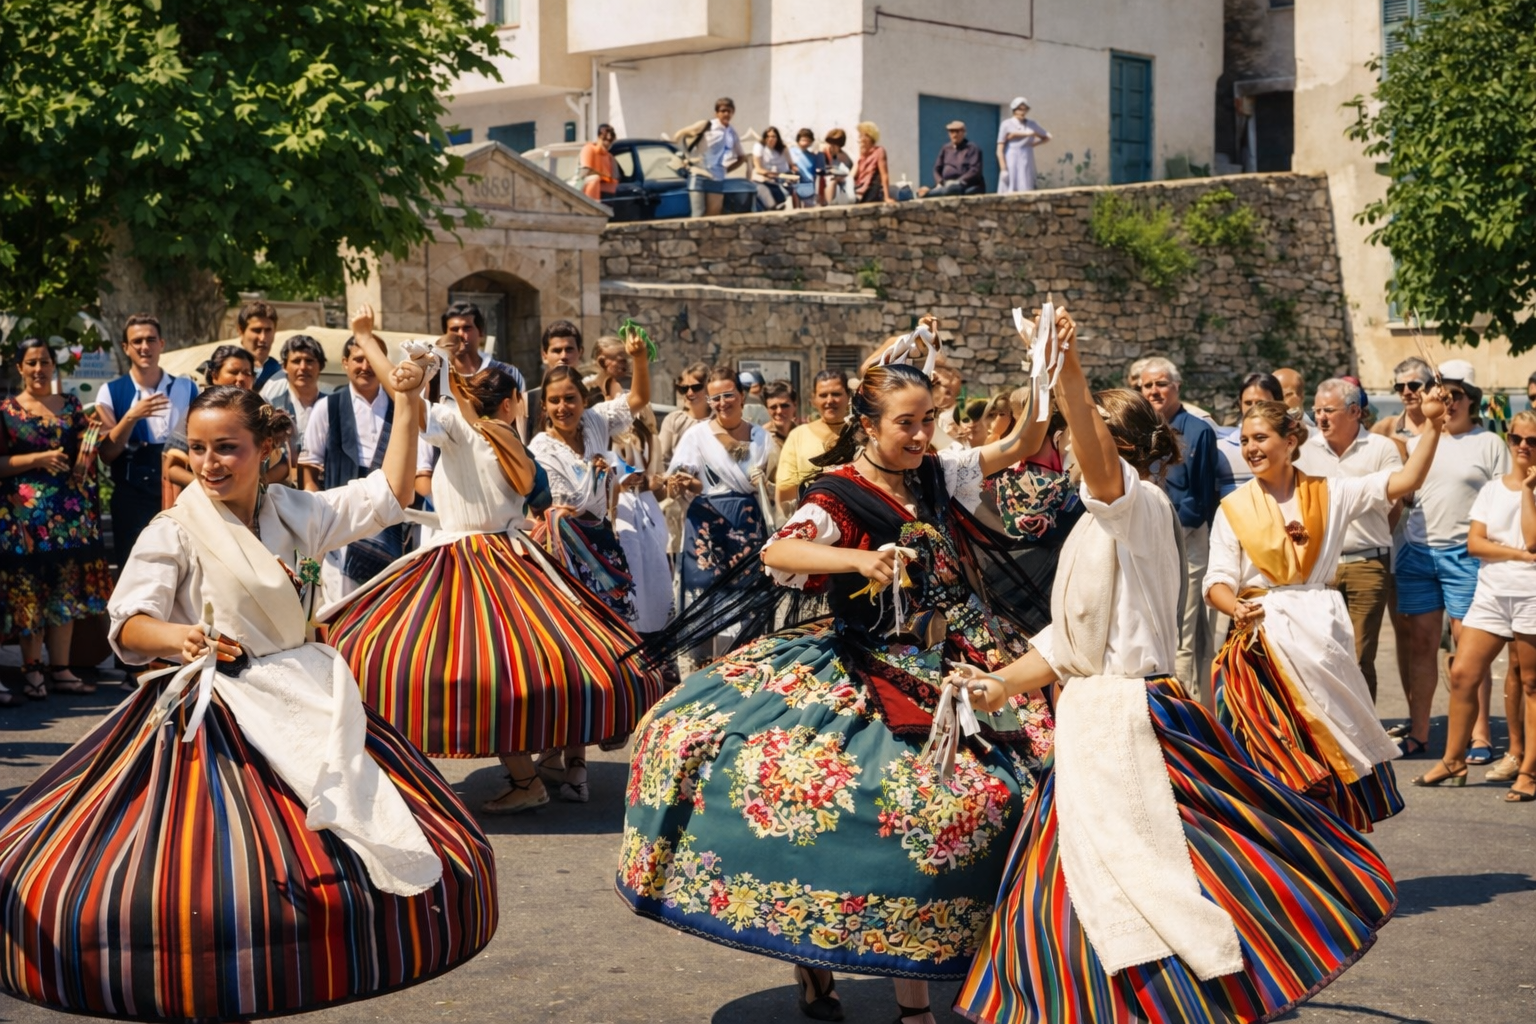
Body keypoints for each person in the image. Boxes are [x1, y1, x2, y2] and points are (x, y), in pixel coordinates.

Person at [0, 372, 498, 1022]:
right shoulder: (174, 528)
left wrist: (407, 405)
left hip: (307, 700)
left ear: (264, 449)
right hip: (214, 715)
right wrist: (181, 637)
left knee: (326, 863)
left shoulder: (293, 511)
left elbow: (386, 495)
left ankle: (301, 971)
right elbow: (129, 621)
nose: (210, 463)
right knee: (220, 878)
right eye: (200, 449)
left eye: (227, 447)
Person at [951, 314, 1395, 1024]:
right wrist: (998, 683)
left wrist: (1067, 368)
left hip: (1135, 719)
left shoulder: (1141, 507)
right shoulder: (1091, 532)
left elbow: (1099, 468)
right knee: (1080, 892)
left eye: (1077, 437)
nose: (1065, 450)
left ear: (1113, 449)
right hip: (1091, 722)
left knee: (1173, 877)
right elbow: (1067, 646)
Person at [620, 326, 1061, 1024]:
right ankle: (889, 991)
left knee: (1025, 784)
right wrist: (858, 561)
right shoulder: (838, 495)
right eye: (906, 425)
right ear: (868, 424)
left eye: (926, 423)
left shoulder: (937, 473)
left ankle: (953, 952)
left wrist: (1045, 372)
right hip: (869, 660)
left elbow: (1016, 445)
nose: (920, 436)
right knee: (877, 807)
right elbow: (778, 554)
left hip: (957, 660)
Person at [322, 338, 662, 814]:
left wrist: (385, 349)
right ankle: (541, 766)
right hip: (512, 555)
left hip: (464, 560)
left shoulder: (464, 429)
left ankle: (518, 777)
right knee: (515, 667)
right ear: (512, 403)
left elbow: (405, 399)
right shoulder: (513, 443)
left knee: (419, 660)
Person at [1206, 397, 1445, 831]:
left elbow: (1407, 478)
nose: (1250, 448)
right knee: (1271, 756)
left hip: (1319, 635)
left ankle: (1333, 853)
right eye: (1244, 440)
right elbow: (1217, 580)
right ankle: (1283, 852)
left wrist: (1432, 425)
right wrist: (1235, 605)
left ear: (1290, 440)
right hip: (1260, 643)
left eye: (1261, 438)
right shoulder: (1233, 507)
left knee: (1329, 748)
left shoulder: (1331, 490)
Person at [526, 329, 653, 801]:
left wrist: (639, 358)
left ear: (584, 399)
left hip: (603, 548)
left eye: (571, 398)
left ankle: (571, 759)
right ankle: (570, 762)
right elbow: (569, 505)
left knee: (606, 652)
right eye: (556, 401)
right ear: (545, 407)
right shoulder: (541, 446)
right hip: (565, 557)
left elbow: (638, 397)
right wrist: (602, 476)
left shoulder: (598, 423)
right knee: (570, 656)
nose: (564, 408)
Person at [1413, 412, 1536, 799]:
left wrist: (1529, 491)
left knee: (1532, 683)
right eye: (1516, 438)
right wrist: (1515, 555)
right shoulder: (1492, 489)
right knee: (1464, 672)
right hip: (1491, 593)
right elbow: (1474, 544)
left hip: (1531, 595)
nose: (1523, 446)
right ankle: (1453, 760)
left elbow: (1533, 540)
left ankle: (1529, 771)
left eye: (1533, 441)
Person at [1395, 363, 1508, 761]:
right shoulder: (1421, 440)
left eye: (1455, 394)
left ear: (1472, 401)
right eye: (1440, 394)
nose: (1447, 401)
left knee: (1469, 646)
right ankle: (1420, 732)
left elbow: (1504, 498)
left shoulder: (1489, 444)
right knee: (1422, 644)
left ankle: (1480, 735)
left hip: (1467, 553)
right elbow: (1407, 492)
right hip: (1420, 551)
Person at [0, 337, 113, 702]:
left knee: (65, 592)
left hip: (69, 518)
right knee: (31, 593)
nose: (38, 369)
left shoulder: (70, 404)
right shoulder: (7, 410)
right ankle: (32, 670)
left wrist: (91, 443)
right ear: (19, 368)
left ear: (53, 365)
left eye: (44, 362)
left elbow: (87, 441)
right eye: (31, 363)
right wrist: (38, 459)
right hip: (25, 520)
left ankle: (60, 669)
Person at [1294, 378, 1404, 701]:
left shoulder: (1382, 449)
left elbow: (1392, 504)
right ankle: (1328, 737)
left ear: (1355, 411)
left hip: (1367, 564)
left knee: (1358, 659)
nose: (1321, 418)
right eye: (1316, 412)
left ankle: (1364, 740)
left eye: (1329, 410)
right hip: (1318, 567)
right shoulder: (1303, 450)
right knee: (1320, 655)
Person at [299, 319, 417, 602]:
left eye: (372, 359)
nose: (365, 366)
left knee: (389, 602)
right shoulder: (327, 407)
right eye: (358, 359)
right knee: (340, 603)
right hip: (340, 519)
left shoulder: (402, 408)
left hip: (392, 521)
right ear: (345, 363)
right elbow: (309, 467)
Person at [665, 366, 772, 647]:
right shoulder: (697, 435)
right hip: (706, 519)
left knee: (748, 588)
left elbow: (763, 477)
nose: (722, 402)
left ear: (742, 395)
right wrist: (681, 481)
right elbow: (683, 472)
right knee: (703, 590)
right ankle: (703, 659)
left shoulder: (761, 436)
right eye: (715, 398)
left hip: (746, 519)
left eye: (729, 394)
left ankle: (749, 654)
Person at [1138, 356, 1219, 701]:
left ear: (1176, 387)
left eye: (1161, 384)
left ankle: (1184, 708)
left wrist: (1169, 529)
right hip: (1146, 542)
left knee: (1184, 630)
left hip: (1186, 541)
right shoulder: (1139, 430)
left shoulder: (1199, 431)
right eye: (1147, 385)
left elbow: (1202, 497)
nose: (1154, 391)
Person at [95, 313, 199, 572]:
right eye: (137, 340)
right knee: (133, 567)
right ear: (125, 347)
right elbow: (106, 454)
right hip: (132, 494)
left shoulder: (187, 388)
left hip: (180, 491)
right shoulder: (111, 391)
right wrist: (131, 416)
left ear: (161, 344)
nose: (145, 347)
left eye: (151, 340)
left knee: (185, 564)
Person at [163, 345, 290, 504]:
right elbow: (172, 468)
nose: (241, 378)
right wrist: (213, 487)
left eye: (247, 373)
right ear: (215, 375)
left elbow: (282, 466)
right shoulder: (197, 414)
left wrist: (253, 485)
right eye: (233, 372)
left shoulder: (258, 414)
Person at [655, 361, 713, 559]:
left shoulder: (717, 422)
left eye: (696, 387)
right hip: (678, 502)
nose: (689, 393)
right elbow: (662, 459)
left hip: (711, 499)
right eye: (683, 388)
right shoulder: (675, 420)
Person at [774, 369, 851, 510]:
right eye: (823, 395)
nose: (829, 400)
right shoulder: (798, 436)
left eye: (836, 394)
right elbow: (785, 490)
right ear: (814, 399)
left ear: (848, 396)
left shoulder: (862, 433)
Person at [264, 332, 328, 474]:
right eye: (296, 361)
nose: (303, 367)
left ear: (321, 366)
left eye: (309, 361)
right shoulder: (270, 407)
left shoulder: (332, 406)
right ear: (284, 366)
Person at [1216, 372, 1284, 498]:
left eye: (1260, 403)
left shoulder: (1293, 445)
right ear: (1240, 404)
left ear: (1277, 403)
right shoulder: (1221, 448)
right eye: (1248, 403)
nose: (1253, 409)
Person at [685, 97, 746, 218]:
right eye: (723, 111)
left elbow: (741, 157)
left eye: (729, 111)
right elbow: (685, 137)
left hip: (716, 177)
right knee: (697, 215)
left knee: (713, 216)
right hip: (699, 175)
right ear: (716, 113)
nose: (726, 114)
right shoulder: (707, 126)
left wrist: (725, 170)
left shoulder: (732, 132)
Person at [524, 319, 584, 430]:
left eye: (569, 350)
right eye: (557, 351)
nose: (563, 356)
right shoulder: (529, 401)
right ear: (544, 356)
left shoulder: (595, 397)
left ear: (580, 352)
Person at [996, 97, 1050, 194]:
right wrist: (1003, 169)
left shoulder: (1031, 124)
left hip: (1026, 156)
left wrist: (1033, 144)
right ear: (1014, 110)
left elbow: (1047, 136)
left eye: (1025, 109)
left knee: (1026, 183)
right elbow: (1000, 150)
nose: (1022, 112)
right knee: (1011, 185)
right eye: (1019, 109)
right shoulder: (1006, 124)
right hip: (1011, 156)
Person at [922, 120, 985, 197]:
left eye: (957, 132)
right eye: (951, 132)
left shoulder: (972, 149)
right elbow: (936, 168)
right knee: (923, 192)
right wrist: (940, 182)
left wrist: (958, 181)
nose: (954, 135)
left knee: (951, 190)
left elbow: (975, 170)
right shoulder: (945, 148)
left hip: (966, 185)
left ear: (964, 132)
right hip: (946, 184)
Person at [237, 298, 284, 390]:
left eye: (268, 330)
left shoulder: (281, 375)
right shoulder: (226, 372)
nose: (262, 338)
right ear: (241, 331)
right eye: (256, 330)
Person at [762, 379, 799, 494]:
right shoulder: (760, 438)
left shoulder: (804, 435)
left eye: (784, 406)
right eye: (773, 407)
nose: (779, 411)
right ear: (767, 409)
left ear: (795, 406)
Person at [751, 126, 794, 210]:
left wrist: (793, 173)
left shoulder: (783, 148)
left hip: (780, 179)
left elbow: (791, 165)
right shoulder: (759, 147)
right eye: (768, 136)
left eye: (773, 136)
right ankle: (774, 208)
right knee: (764, 193)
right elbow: (758, 168)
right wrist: (770, 174)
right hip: (762, 180)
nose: (770, 139)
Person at [853, 121, 892, 204]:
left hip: (869, 190)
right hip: (859, 189)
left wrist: (887, 197)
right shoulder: (862, 156)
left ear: (868, 137)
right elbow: (854, 176)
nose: (859, 140)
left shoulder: (879, 151)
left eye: (861, 136)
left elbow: (884, 175)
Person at [580, 123, 619, 202]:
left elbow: (615, 178)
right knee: (594, 179)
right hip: (590, 191)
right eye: (604, 139)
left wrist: (608, 179)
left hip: (607, 193)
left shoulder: (610, 157)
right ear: (599, 137)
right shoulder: (589, 149)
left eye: (610, 140)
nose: (607, 143)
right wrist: (601, 176)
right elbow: (584, 172)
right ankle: (590, 207)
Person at [788, 127, 826, 208]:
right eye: (803, 140)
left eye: (808, 141)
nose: (806, 143)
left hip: (809, 185)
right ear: (798, 140)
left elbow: (817, 171)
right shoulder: (791, 152)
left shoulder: (813, 156)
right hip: (796, 183)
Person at [820, 128, 854, 204]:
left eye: (835, 145)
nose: (832, 147)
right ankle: (828, 204)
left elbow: (850, 171)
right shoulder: (823, 152)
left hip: (842, 182)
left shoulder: (844, 156)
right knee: (831, 181)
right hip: (826, 180)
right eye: (831, 144)